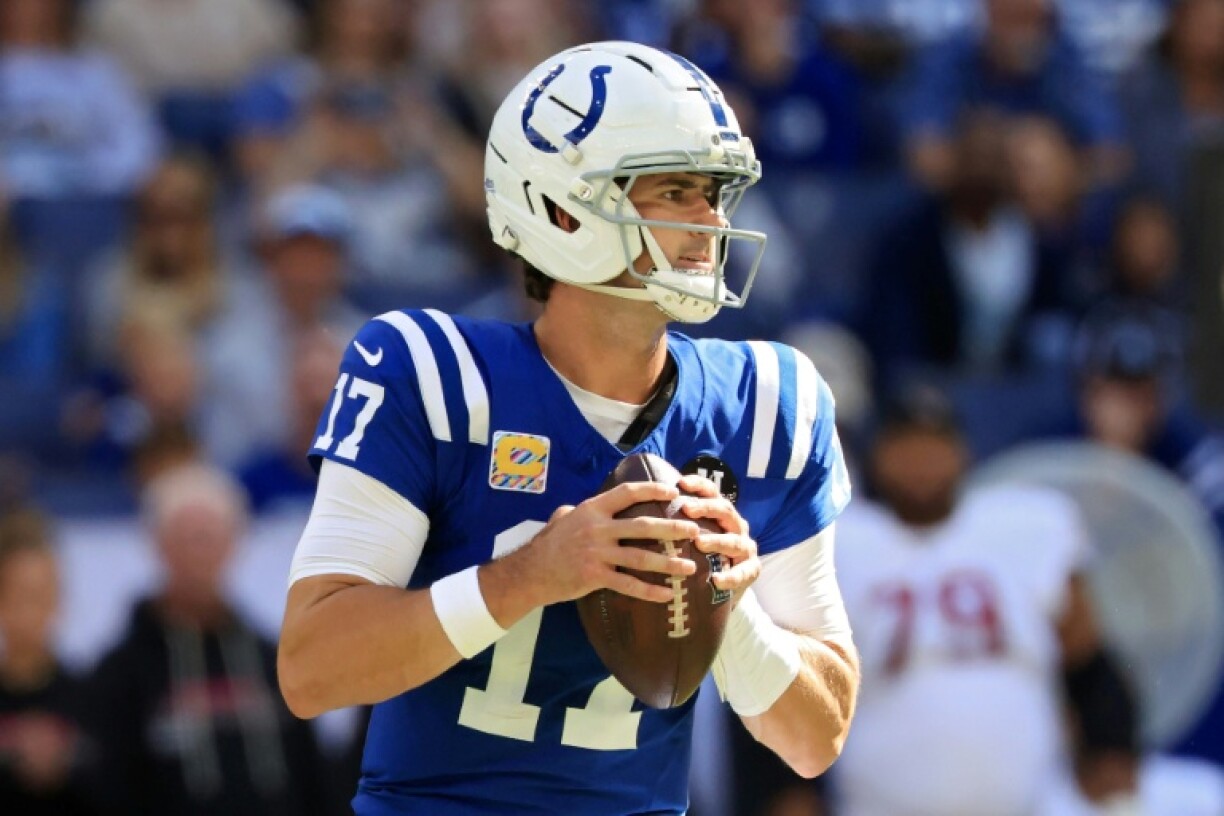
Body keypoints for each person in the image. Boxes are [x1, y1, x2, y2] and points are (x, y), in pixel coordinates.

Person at [278, 41, 859, 815]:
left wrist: (729, 611)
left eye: (717, 193)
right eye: (678, 191)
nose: (710, 222)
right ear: (560, 205)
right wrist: (528, 577)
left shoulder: (768, 404)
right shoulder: (431, 373)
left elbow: (815, 740)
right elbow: (313, 669)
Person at [829, 385, 1116, 816]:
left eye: (935, 447)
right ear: (879, 454)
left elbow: (1088, 658)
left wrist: (1110, 743)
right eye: (907, 448)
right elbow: (788, 679)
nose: (921, 465)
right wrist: (789, 790)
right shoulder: (838, 542)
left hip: (1027, 800)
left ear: (963, 452)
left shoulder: (1024, 524)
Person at [85, 463, 325, 816]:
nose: (200, 554)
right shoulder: (121, 673)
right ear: (158, 546)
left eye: (211, 538)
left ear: (234, 545)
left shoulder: (272, 660)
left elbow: (313, 778)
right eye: (187, 539)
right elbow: (106, 786)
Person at [0, 507, 99, 816]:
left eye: (43, 594)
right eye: (20, 595)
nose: (31, 612)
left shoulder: (95, 697)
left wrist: (65, 768)